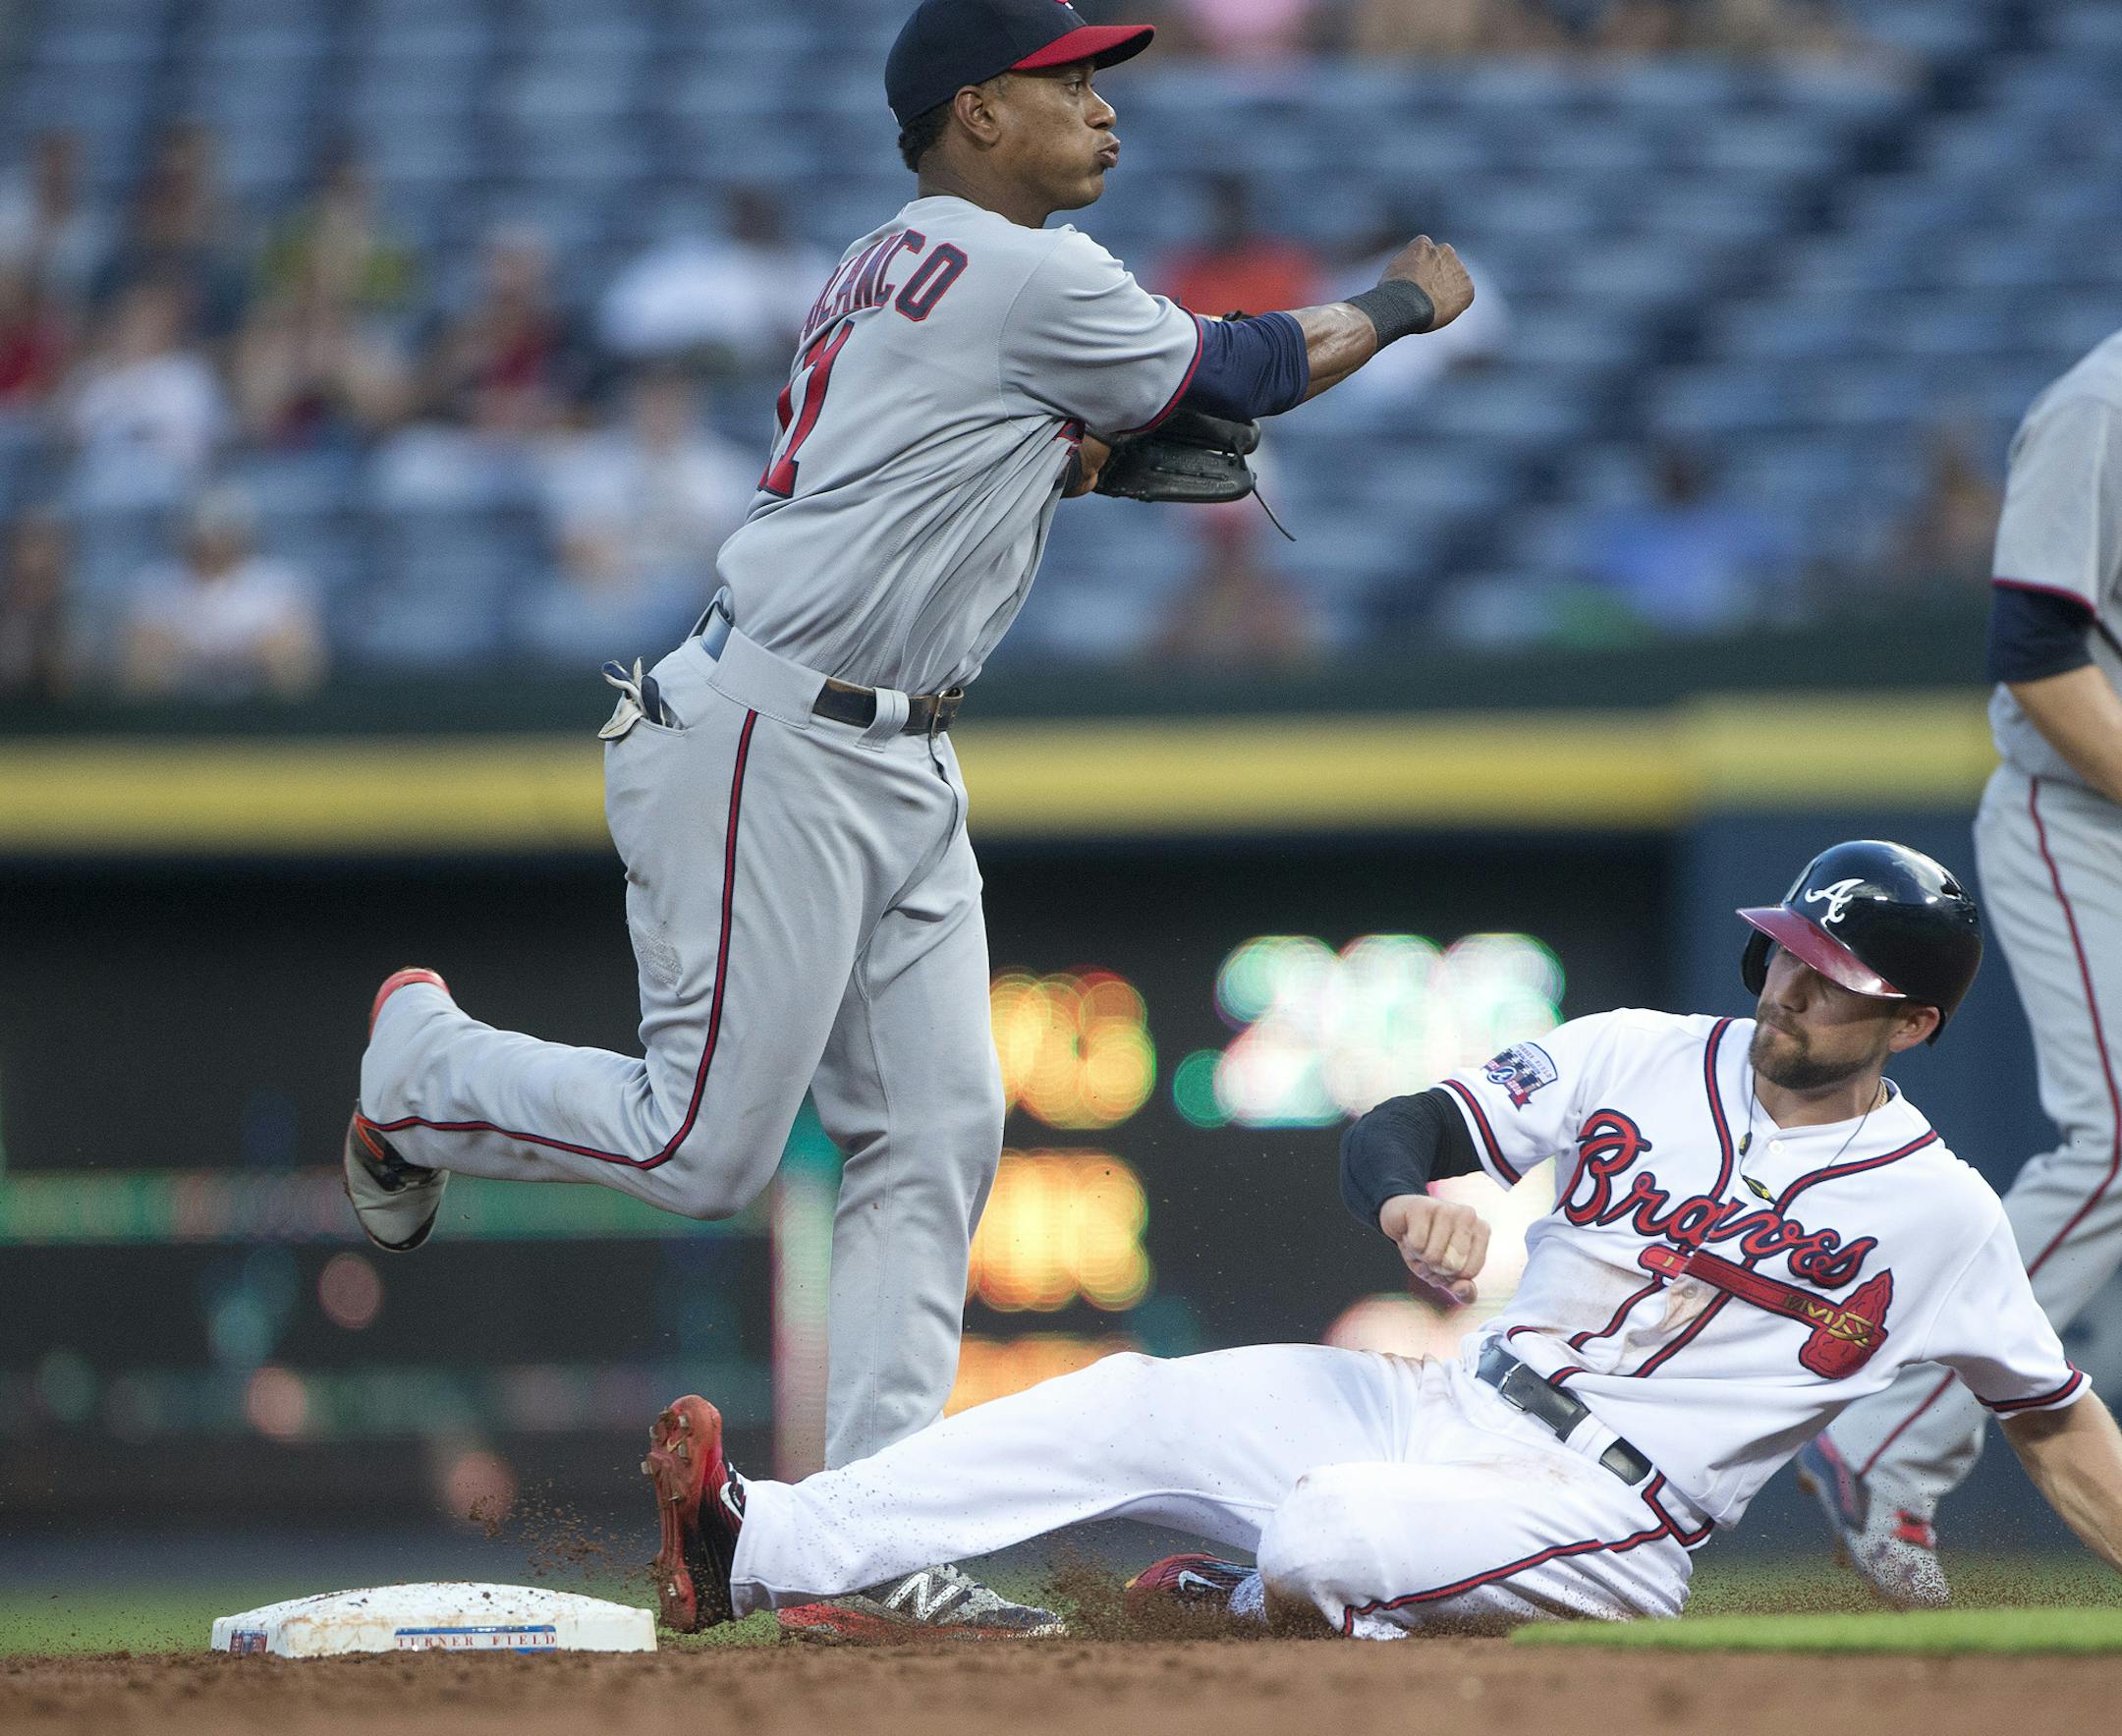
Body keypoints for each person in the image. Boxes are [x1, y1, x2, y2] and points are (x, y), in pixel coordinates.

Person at [346, 0, 1470, 1642]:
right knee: (703, 1142)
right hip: (772, 733)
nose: (1102, 107)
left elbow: (962, 446)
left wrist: (1064, 460)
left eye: (1106, 78)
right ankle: (418, 1070)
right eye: (1065, 79)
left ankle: (856, 1544)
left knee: (936, 1136)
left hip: (897, 745)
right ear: (968, 115)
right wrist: (1403, 299)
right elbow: (1240, 368)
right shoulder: (1015, 267)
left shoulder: (907, 260)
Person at [642, 841, 2122, 1641]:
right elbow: (1400, 1123)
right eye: (1793, 955)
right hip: (1449, 1398)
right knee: (1125, 1402)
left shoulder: (1942, 1211)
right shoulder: (1640, 1052)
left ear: (1913, 1022)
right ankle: (755, 1541)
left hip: (1611, 1511)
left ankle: (1254, 1611)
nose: (1796, 991)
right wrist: (1406, 1195)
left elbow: (2054, 1422)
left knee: (1330, 1530)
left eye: (1837, 979)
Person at [1798, 328, 2122, 1607]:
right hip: (2085, 816)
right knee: (2114, 1142)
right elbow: (2040, 665)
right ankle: (1885, 1437)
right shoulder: (2102, 406)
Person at [117, 486, 325, 699]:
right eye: (201, 529)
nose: (210, 540)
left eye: (221, 528)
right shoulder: (154, 582)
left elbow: (300, 671)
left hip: (262, 709)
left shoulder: (279, 582)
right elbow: (137, 672)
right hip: (175, 709)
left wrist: (226, 661)